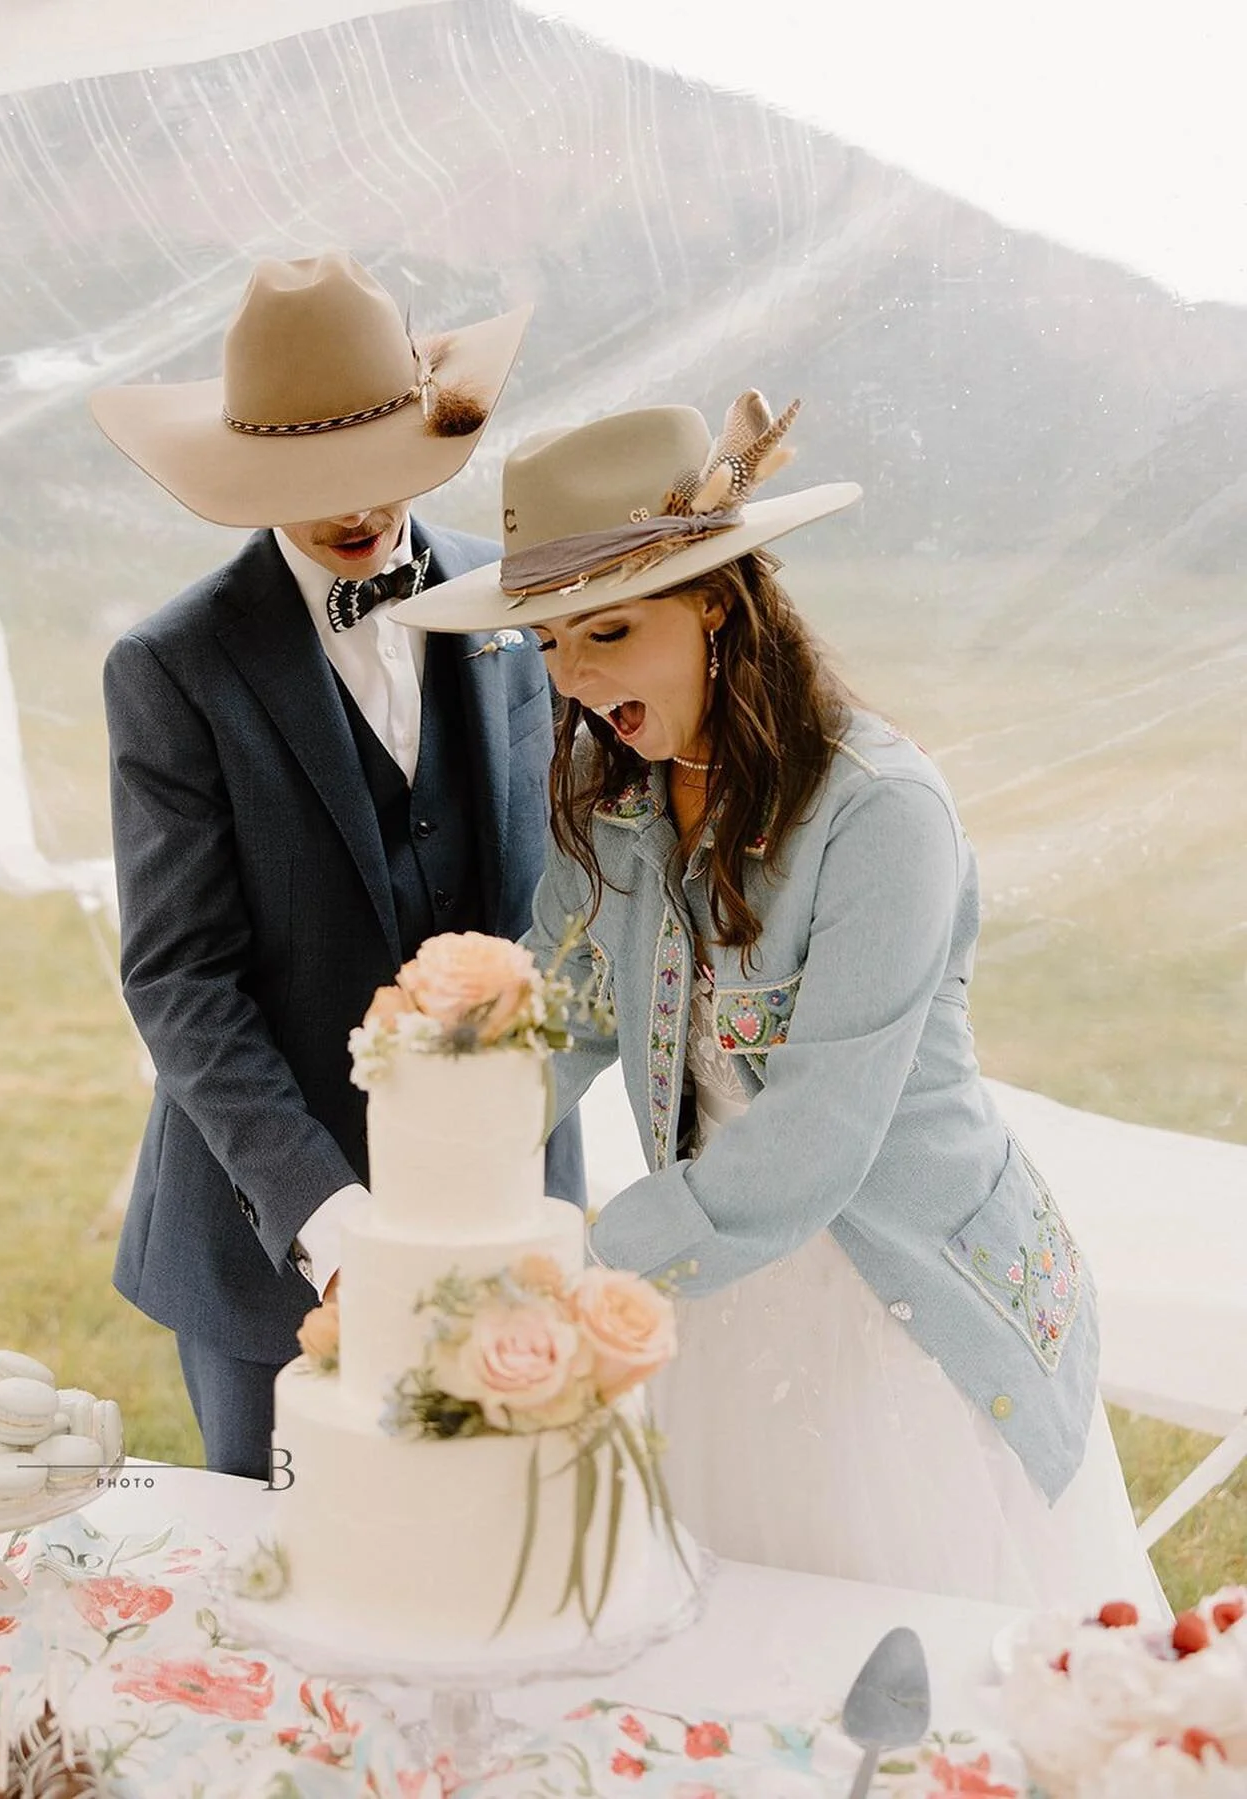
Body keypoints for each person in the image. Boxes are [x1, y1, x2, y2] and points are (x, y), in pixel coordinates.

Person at [392, 394, 1163, 1612]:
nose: (575, 681)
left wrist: (591, 1264)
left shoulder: (881, 813)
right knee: (735, 1649)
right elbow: (562, 1012)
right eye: (546, 644)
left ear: (716, 603)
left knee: (909, 1656)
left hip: (898, 1299)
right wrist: (440, 1123)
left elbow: (816, 1138)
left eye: (606, 631)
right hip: (711, 1274)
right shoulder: (615, 805)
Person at [89, 251, 583, 1480]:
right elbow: (180, 980)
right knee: (291, 1578)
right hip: (273, 1246)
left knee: (497, 1547)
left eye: (383, 471)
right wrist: (332, 1223)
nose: (360, 508)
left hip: (505, 1197)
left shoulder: (516, 599)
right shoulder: (174, 669)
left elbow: (576, 884)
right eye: (316, 483)